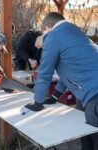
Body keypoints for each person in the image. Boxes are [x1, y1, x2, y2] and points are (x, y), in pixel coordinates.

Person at [25, 12, 98, 150]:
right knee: (84, 132)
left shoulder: (52, 36)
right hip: (91, 90)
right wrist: (55, 95)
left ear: (47, 28)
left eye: (43, 33)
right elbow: (70, 69)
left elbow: (45, 72)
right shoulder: (74, 31)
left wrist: (38, 102)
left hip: (94, 94)